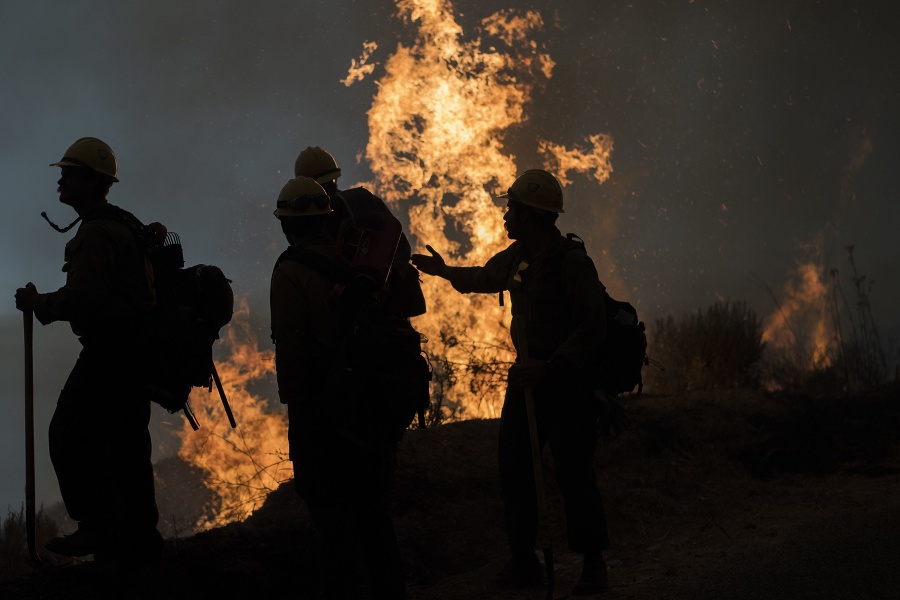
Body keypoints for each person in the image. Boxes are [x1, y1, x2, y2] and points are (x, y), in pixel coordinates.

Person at [410, 169, 611, 595]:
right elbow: (484, 277)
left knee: (575, 473)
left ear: (533, 214)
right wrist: (444, 272)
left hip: (566, 384)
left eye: (512, 208)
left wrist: (552, 367)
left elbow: (593, 327)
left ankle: (594, 566)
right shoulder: (519, 257)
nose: (506, 215)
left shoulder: (571, 263)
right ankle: (524, 560)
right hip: (527, 384)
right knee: (515, 469)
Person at [14, 137, 163, 563]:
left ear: (91, 181)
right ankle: (138, 542)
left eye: (69, 173)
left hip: (110, 354)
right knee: (126, 445)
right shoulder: (121, 224)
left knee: (68, 435)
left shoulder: (98, 232)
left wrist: (38, 302)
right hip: (135, 353)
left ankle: (97, 526)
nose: (61, 179)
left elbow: (83, 298)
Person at [270, 176, 407, 599]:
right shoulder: (356, 261)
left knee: (330, 518)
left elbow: (291, 344)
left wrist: (295, 403)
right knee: (371, 510)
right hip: (365, 403)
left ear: (287, 223)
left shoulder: (291, 269)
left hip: (319, 408)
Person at [293, 146, 425, 320]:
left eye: (330, 183)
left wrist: (378, 285)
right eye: (321, 186)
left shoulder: (361, 205)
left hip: (381, 313)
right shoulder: (304, 223)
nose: (327, 191)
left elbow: (399, 247)